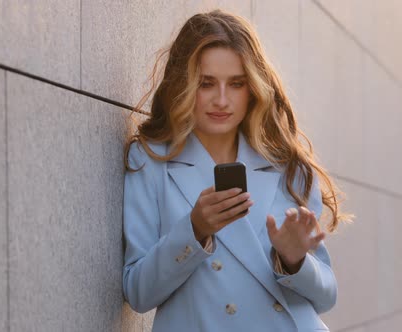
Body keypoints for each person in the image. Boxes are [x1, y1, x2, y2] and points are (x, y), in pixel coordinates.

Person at [122, 9, 350, 332]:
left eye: (236, 84)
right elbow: (137, 292)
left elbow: (326, 296)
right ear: (184, 84)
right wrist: (194, 230)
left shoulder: (286, 165)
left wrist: (293, 261)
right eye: (207, 83)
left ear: (253, 87)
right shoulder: (150, 159)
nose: (222, 100)